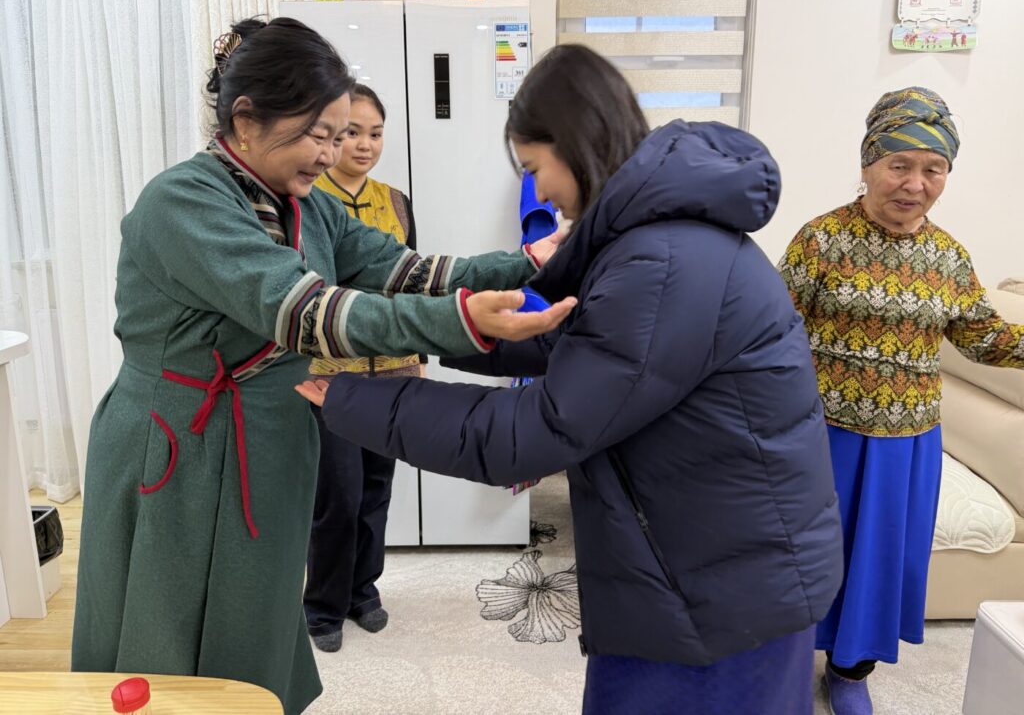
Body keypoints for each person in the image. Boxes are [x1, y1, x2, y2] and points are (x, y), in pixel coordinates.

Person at [297, 43, 844, 715]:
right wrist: (443, 329)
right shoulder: (656, 242)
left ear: (575, 143)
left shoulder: (662, 263)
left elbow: (536, 431)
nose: (542, 194)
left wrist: (355, 396)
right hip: (696, 565)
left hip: (719, 594)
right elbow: (571, 343)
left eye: (535, 169)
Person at [70, 17, 574, 715]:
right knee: (168, 625)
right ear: (246, 120)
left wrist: (524, 263)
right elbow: (307, 312)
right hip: (177, 441)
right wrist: (459, 321)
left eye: (341, 136)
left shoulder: (306, 207)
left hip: (268, 430)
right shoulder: (184, 201)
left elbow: (407, 270)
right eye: (320, 134)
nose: (333, 153)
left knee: (255, 606)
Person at [777, 86, 1024, 715]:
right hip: (823, 434)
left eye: (933, 169)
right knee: (804, 555)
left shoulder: (948, 257)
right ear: (867, 165)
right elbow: (773, 330)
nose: (915, 184)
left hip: (907, 445)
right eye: (899, 164)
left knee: (881, 562)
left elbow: (984, 339)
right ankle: (782, 668)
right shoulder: (820, 240)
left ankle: (850, 671)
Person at [303, 83, 421, 652]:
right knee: (338, 496)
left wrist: (417, 359)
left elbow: (413, 284)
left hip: (393, 373)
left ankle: (363, 593)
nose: (364, 144)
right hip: (330, 374)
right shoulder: (308, 199)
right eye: (351, 132)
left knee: (377, 489)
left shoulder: (396, 201)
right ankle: (323, 606)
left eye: (375, 133)